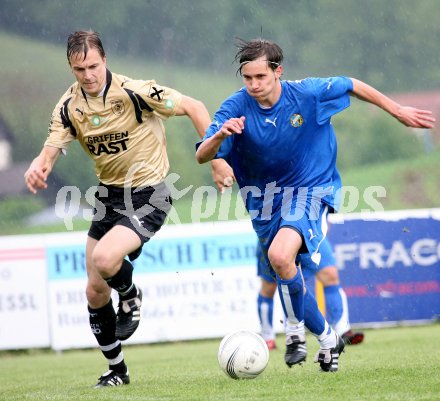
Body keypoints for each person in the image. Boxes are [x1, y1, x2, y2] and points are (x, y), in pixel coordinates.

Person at [195, 38, 435, 372]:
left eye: (260, 77)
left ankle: (295, 330)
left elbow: (351, 84)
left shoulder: (307, 93)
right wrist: (221, 135)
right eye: (247, 78)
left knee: (281, 257)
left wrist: (397, 111)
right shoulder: (234, 108)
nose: (253, 85)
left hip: (312, 190)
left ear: (278, 72)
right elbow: (201, 154)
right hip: (264, 203)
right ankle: (326, 337)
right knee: (284, 268)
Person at [23, 30, 230, 388]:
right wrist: (39, 165)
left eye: (93, 66)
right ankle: (117, 369)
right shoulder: (69, 106)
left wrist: (215, 159)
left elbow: (195, 107)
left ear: (105, 60)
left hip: (150, 193)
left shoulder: (137, 91)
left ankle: (131, 295)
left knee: (105, 261)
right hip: (108, 197)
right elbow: (51, 147)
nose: (87, 75)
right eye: (78, 69)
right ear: (70, 68)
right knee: (94, 289)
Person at [257, 238, 364, 351]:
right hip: (276, 237)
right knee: (269, 287)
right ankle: (267, 336)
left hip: (310, 234)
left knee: (330, 275)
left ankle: (343, 330)